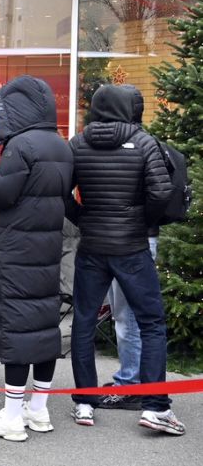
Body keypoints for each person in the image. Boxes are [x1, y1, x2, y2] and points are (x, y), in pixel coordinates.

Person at [68, 84, 184, 435]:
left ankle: (84, 403)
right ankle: (155, 407)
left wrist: (83, 218)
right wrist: (138, 220)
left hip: (91, 247)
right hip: (132, 248)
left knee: (84, 322)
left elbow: (60, 191)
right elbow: (162, 192)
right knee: (151, 323)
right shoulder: (145, 141)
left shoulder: (77, 143)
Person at [0, 75, 73, 442]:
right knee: (43, 329)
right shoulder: (59, 144)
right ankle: (39, 410)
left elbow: (0, 194)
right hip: (45, 253)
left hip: (14, 253)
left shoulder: (20, 146)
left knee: (14, 330)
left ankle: (12, 418)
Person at [98, 85, 154, 412]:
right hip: (141, 235)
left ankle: (131, 382)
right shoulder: (148, 144)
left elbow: (159, 193)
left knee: (128, 317)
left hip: (131, 239)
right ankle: (135, 378)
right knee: (131, 314)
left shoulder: (133, 146)